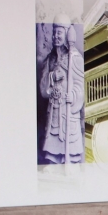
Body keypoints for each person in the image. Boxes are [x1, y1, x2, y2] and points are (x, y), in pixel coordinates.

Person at [39, 14, 84, 164]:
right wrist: (52, 77)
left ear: (66, 34)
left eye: (59, 33)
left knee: (69, 142)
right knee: (52, 140)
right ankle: (54, 162)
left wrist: (74, 95)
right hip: (54, 110)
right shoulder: (50, 60)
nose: (55, 36)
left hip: (68, 110)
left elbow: (80, 85)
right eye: (54, 33)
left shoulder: (75, 58)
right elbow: (43, 89)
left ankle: (69, 162)